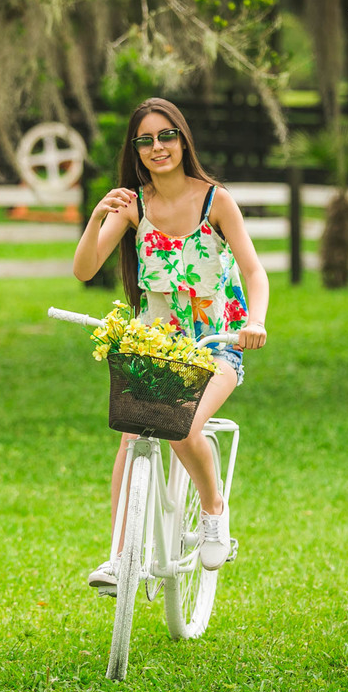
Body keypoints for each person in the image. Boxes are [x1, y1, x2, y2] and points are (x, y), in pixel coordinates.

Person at [72, 97, 269, 588]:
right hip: (157, 346)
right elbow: (84, 269)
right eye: (146, 140)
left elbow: (253, 270)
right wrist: (98, 216)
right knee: (132, 433)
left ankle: (213, 511)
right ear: (136, 151)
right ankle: (120, 558)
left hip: (217, 344)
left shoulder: (215, 199)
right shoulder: (135, 204)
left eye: (166, 136)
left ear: (182, 139)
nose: (157, 147)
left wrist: (256, 320)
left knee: (180, 426)